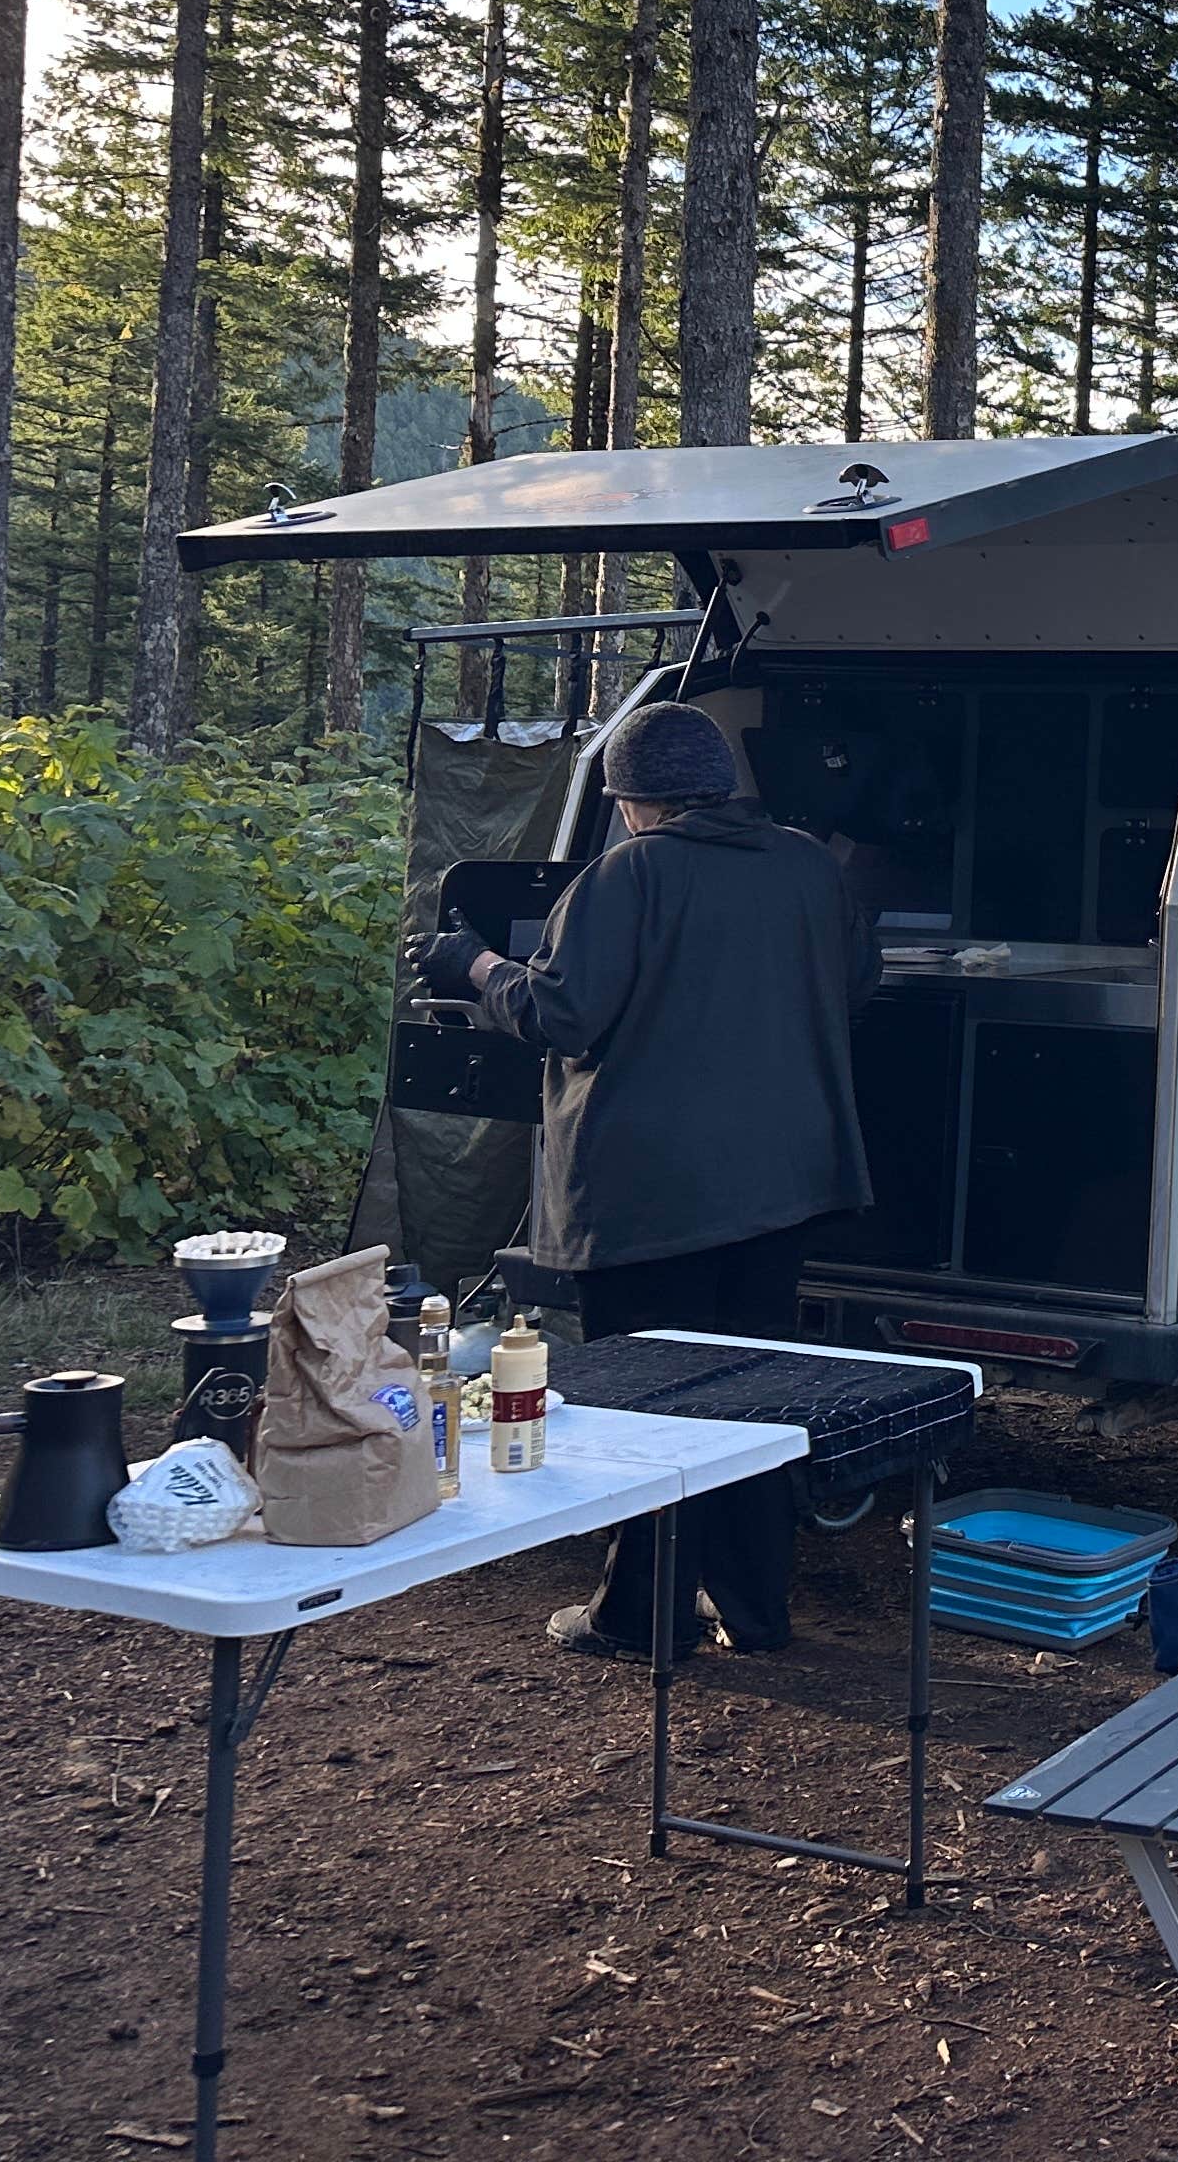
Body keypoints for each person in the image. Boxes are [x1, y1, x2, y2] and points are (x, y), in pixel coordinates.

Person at [425, 698, 875, 1661]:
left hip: (650, 1194)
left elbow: (562, 1016)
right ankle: (754, 1612)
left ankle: (641, 1617)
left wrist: (475, 966)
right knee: (753, 1402)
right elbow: (858, 980)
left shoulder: (630, 874)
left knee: (645, 1407)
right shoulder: (807, 865)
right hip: (782, 1185)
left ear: (634, 802)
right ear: (720, 789)